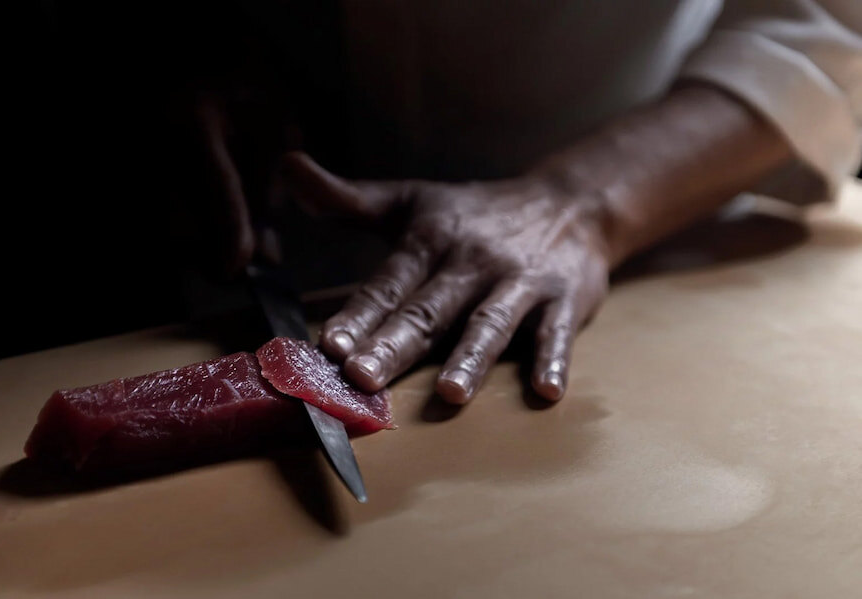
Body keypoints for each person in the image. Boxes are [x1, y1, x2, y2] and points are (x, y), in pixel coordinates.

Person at [190, 0, 861, 405]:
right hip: (276, 225)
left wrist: (580, 201)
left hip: (661, 220)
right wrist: (218, 52)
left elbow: (833, 24)